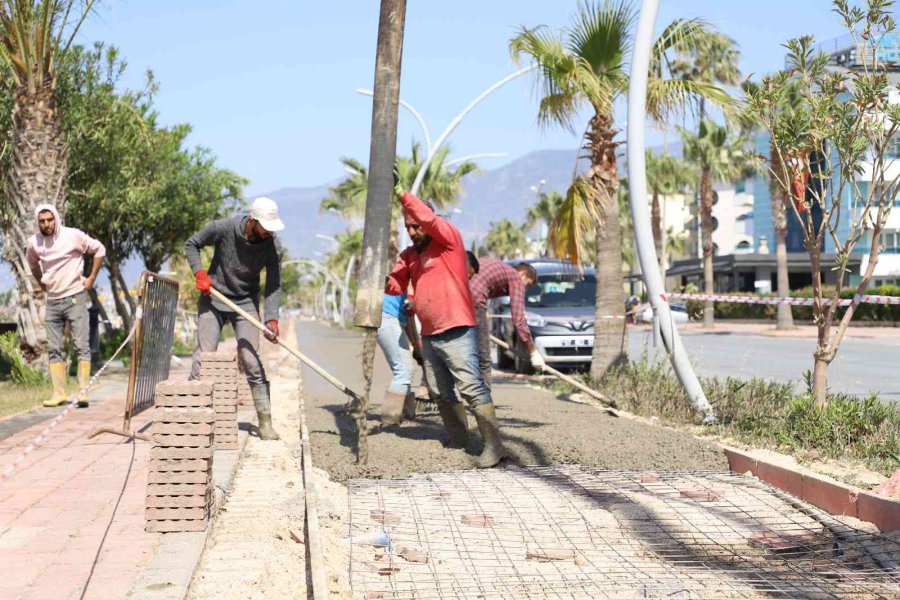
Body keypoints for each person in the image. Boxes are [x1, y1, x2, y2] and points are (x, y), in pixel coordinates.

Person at [385, 174, 504, 468]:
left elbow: (428, 220)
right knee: (439, 391)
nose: (413, 231)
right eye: (408, 227)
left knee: (472, 387)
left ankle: (493, 445)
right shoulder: (409, 255)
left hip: (457, 329)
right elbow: (395, 286)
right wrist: (379, 276)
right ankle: (459, 437)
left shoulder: (449, 241)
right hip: (429, 333)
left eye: (417, 225)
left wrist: (402, 194)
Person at [185, 197, 284, 440]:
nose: (270, 233)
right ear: (252, 221)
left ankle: (265, 421)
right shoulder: (224, 228)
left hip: (245, 302)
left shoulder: (273, 247)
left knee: (250, 359)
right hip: (213, 297)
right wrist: (199, 273)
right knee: (203, 357)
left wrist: (271, 319)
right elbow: (192, 244)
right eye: (265, 228)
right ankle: (190, 416)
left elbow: (273, 285)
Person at [26, 204, 106, 407]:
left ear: (56, 218)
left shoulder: (73, 235)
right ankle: (59, 392)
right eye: (42, 221)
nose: (46, 224)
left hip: (75, 297)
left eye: (49, 219)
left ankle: (82, 392)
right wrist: (42, 283)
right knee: (54, 348)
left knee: (81, 346)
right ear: (38, 222)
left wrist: (91, 278)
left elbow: (99, 249)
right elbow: (33, 264)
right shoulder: (34, 243)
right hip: (52, 301)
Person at [469, 258, 542, 387]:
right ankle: (483, 401)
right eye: (528, 285)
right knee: (484, 358)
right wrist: (533, 351)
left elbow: (481, 282)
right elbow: (519, 320)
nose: (525, 290)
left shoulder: (498, 267)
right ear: (523, 274)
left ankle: (426, 388)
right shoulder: (516, 278)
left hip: (455, 296)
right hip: (473, 301)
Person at [376, 291, 417, 426]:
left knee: (405, 368)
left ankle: (406, 413)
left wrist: (416, 346)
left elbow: (410, 317)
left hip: (393, 318)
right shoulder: (418, 278)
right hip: (388, 316)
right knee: (404, 369)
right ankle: (390, 420)